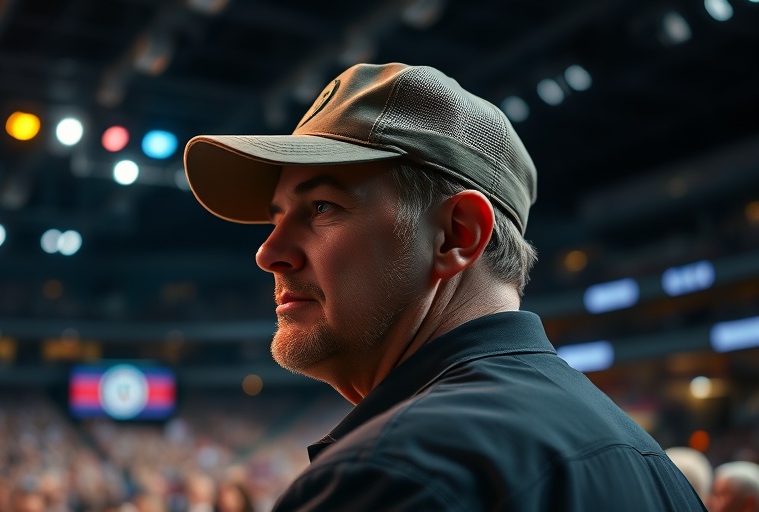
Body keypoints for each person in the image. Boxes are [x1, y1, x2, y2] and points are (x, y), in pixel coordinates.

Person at [183, 62, 706, 510]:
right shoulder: (658, 471)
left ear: (457, 235)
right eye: (276, 218)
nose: (268, 252)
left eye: (322, 207)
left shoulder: (387, 475)